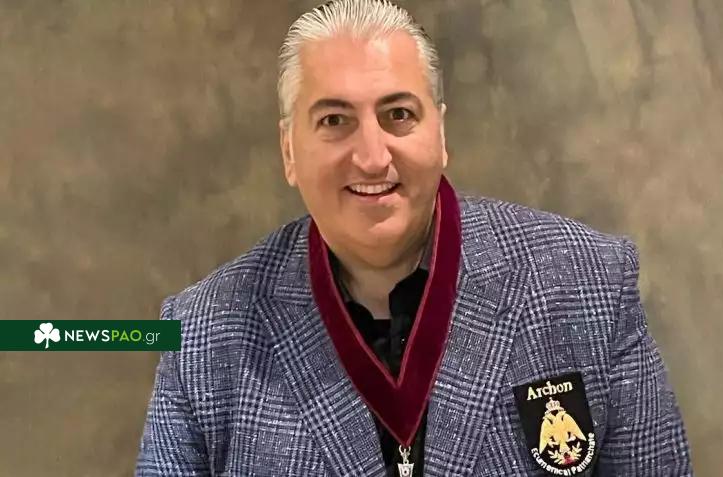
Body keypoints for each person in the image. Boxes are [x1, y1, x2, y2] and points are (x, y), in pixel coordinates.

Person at [136, 1, 692, 475]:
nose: (372, 156)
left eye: (398, 114)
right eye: (334, 121)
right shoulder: (201, 338)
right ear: (288, 150)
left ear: (440, 133)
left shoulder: (588, 283)